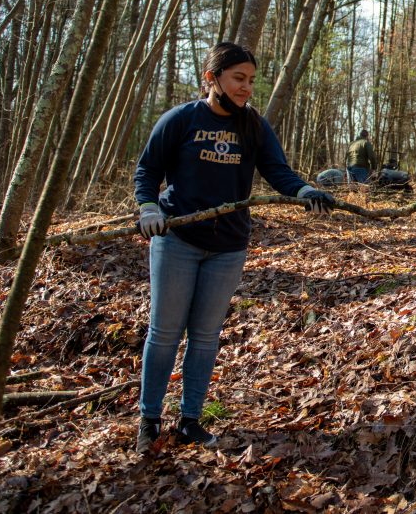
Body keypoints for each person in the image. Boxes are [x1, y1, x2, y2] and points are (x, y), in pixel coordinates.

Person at [133, 42, 336, 453]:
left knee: (205, 336)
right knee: (165, 333)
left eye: (251, 81)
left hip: (228, 246)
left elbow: (278, 171)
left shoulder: (254, 126)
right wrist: (149, 207)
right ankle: (149, 420)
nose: (246, 88)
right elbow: (147, 170)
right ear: (212, 79)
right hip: (176, 241)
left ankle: (190, 420)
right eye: (238, 79)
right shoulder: (181, 120)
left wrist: (305, 190)